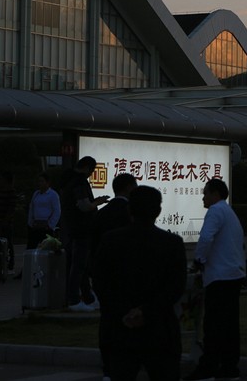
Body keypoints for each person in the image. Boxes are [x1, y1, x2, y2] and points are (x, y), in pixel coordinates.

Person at [93, 185, 186, 381]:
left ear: (129, 210)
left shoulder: (110, 241)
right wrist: (146, 311)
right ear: (158, 211)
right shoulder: (172, 243)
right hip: (160, 329)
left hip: (119, 329)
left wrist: (124, 311)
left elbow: (101, 283)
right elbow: (176, 287)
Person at [184, 178, 246, 381]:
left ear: (215, 194)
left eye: (205, 193)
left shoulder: (215, 211)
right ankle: (229, 368)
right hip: (233, 275)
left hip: (219, 277)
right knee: (229, 326)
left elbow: (206, 238)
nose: (203, 197)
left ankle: (207, 368)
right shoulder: (229, 212)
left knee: (214, 325)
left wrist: (198, 261)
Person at [91, 172, 138, 380]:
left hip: (105, 278)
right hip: (128, 277)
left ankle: (108, 368)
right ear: (128, 188)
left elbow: (94, 247)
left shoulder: (102, 213)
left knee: (108, 322)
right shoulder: (131, 214)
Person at [61, 156, 109, 311]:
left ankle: (88, 298)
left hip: (72, 229)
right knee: (79, 266)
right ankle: (74, 300)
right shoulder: (80, 182)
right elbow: (84, 205)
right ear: (88, 168)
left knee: (80, 266)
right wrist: (98, 202)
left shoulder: (68, 180)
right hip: (82, 230)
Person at [26, 172, 61, 250]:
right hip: (35, 225)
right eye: (39, 181)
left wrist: (50, 225)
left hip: (46, 225)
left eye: (42, 181)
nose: (40, 183)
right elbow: (32, 208)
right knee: (31, 247)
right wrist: (30, 222)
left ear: (47, 183)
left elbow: (57, 211)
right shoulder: (36, 194)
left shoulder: (53, 195)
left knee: (46, 248)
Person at [0, 170, 18, 275]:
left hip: (6, 222)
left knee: (9, 243)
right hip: (0, 220)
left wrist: (5, 220)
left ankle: (10, 263)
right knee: (2, 243)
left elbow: (11, 209)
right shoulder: (2, 191)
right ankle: (2, 263)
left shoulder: (11, 192)